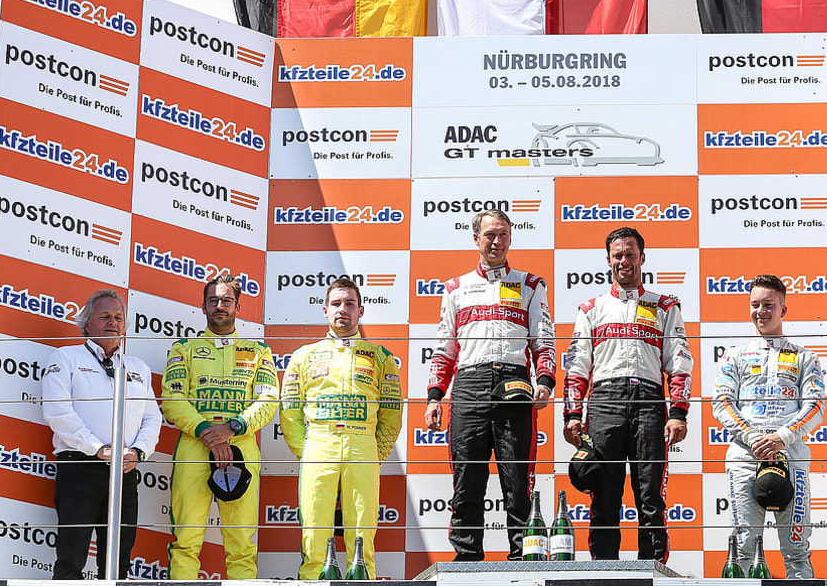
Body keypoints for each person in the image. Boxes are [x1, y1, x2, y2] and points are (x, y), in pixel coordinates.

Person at [424, 209, 556, 561]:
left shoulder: (531, 284)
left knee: (517, 478)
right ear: (476, 239)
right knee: (467, 477)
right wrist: (435, 396)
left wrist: (545, 381)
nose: (496, 241)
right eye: (489, 235)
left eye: (503, 235)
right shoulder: (455, 288)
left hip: (514, 382)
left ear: (510, 238)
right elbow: (444, 348)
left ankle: (525, 556)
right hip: (469, 383)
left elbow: (544, 341)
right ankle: (467, 557)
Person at [563, 226, 693, 561]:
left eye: (630, 254)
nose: (624, 261)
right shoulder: (591, 308)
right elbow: (577, 365)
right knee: (604, 493)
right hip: (605, 400)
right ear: (608, 260)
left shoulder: (665, 306)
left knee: (650, 493)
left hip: (649, 400)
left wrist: (678, 413)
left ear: (642, 258)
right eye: (618, 255)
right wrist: (573, 414)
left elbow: (679, 362)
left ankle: (652, 569)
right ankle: (603, 570)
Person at [280, 277, 403, 580]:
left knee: (362, 540)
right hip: (318, 445)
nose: (342, 309)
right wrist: (306, 451)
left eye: (349, 304)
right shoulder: (303, 355)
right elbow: (290, 412)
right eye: (336, 304)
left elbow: (392, 414)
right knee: (314, 537)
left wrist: (375, 454)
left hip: (363, 445)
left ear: (361, 310)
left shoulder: (382, 357)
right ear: (325, 310)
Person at [161, 274, 279, 579]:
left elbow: (268, 401)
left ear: (238, 307)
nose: (220, 306)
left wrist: (234, 427)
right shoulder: (184, 348)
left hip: (241, 445)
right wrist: (206, 432)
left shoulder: (259, 352)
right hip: (194, 444)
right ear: (203, 307)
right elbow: (172, 399)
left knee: (241, 546)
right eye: (213, 301)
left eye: (226, 300)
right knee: (185, 542)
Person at [41, 289, 161, 579]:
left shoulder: (138, 367)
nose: (113, 322)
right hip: (79, 467)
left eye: (118, 317)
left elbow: (152, 418)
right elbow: (58, 411)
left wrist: (139, 451)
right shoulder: (66, 357)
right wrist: (96, 447)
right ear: (86, 323)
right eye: (105, 316)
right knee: (71, 560)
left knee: (118, 565)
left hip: (124, 472)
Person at [712, 274, 825, 578]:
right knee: (743, 546)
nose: (760, 311)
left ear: (783, 310)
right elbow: (721, 402)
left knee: (797, 549)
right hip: (745, 456)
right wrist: (752, 437)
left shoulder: (805, 357)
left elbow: (815, 406)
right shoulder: (735, 356)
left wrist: (781, 438)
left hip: (791, 455)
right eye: (755, 305)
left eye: (768, 305)